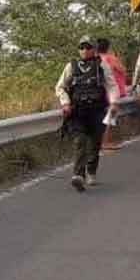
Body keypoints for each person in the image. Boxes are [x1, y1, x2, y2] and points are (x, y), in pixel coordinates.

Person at [55, 36, 120, 191]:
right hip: (77, 111)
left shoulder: (101, 65)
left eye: (88, 47)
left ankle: (91, 170)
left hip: (97, 111)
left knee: (95, 143)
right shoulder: (71, 66)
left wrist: (114, 102)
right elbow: (60, 87)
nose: (84, 50)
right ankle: (78, 175)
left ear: (94, 49)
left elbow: (111, 85)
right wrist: (65, 103)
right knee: (80, 142)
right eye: (82, 47)